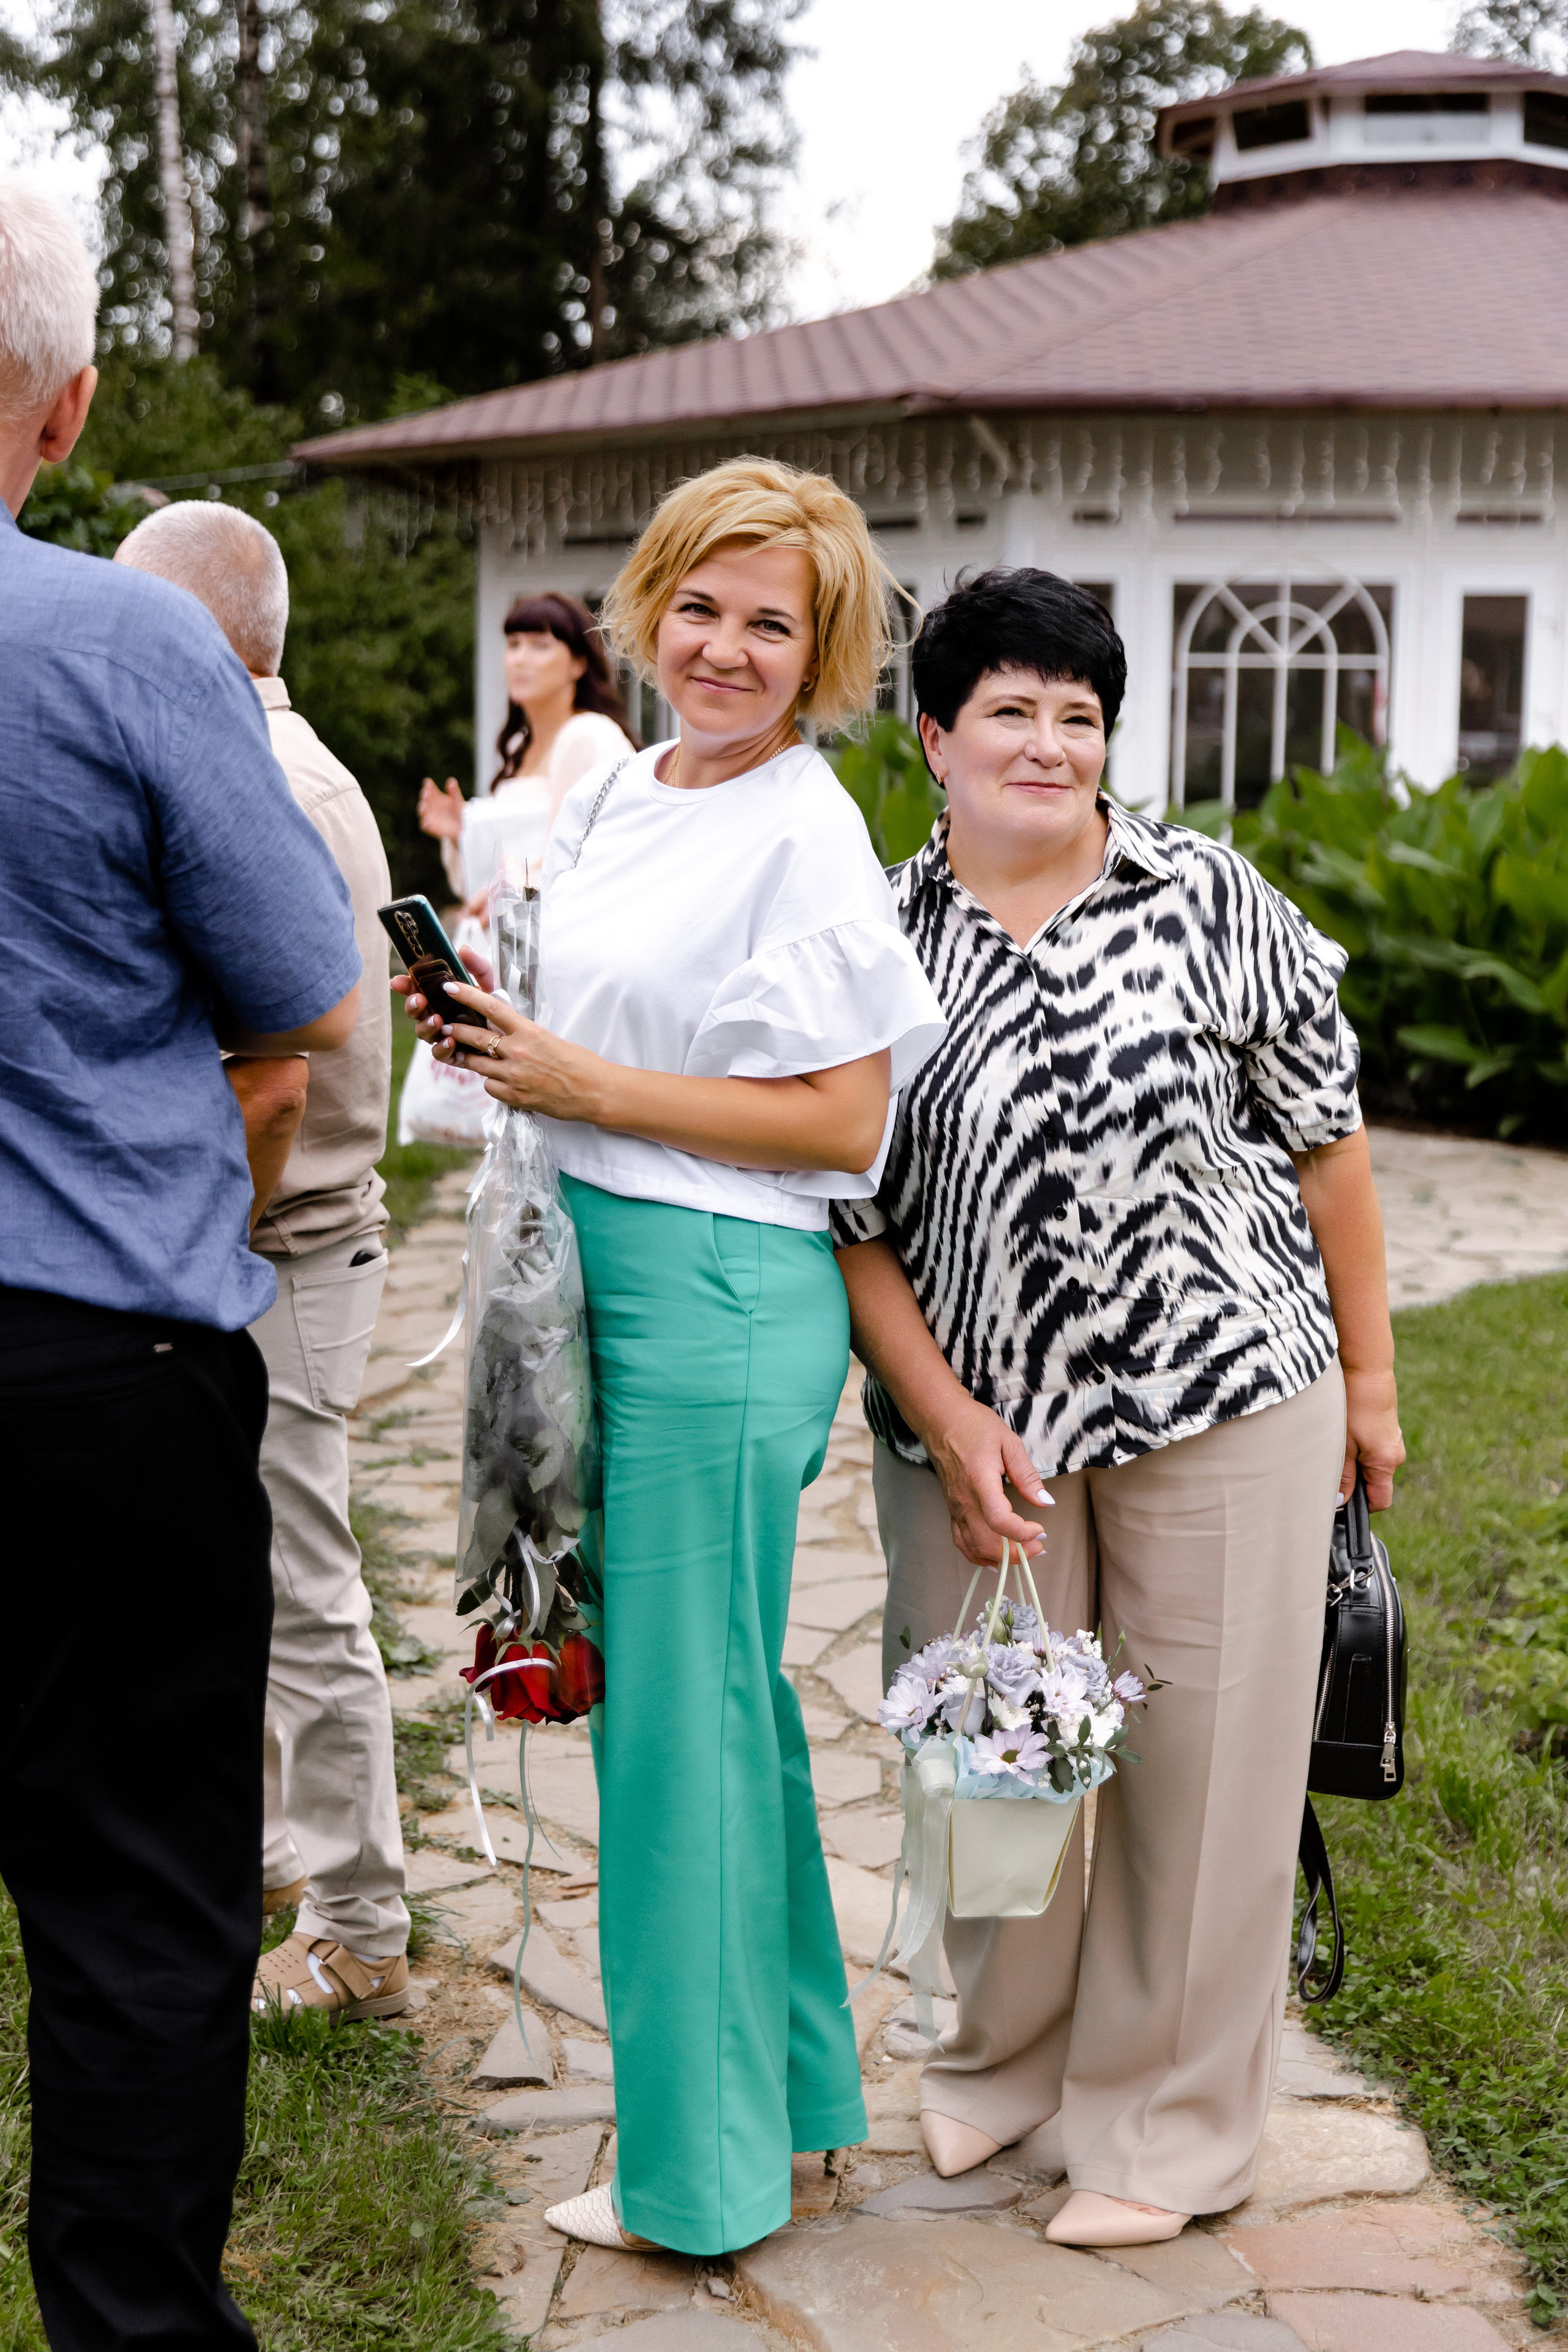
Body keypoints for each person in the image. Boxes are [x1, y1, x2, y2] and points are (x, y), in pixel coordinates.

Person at [402, 459, 946, 2256]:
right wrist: (496, 1026)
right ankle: (786, 2096)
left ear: (822, 650)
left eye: (769, 622)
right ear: (646, 604)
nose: (724, 645)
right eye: (699, 604)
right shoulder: (626, 787)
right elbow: (604, 1030)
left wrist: (590, 1082)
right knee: (718, 1705)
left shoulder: (802, 825)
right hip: (600, 1260)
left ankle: (695, 2182)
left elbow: (841, 1118)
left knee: (673, 1729)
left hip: (719, 1289)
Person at [831, 567, 1404, 2245]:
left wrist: (1370, 1381)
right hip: (971, 1430)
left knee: (1200, 1784)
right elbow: (848, 1221)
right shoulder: (870, 936)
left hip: (1225, 1397)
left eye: (1076, 715)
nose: (1046, 742)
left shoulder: (1207, 896)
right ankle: (1000, 2062)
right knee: (992, 1760)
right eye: (1007, 709)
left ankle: (1167, 2128)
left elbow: (1329, 1140)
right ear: (933, 738)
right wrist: (945, 1418)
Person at [0, 182, 361, 2350]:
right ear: (66, 409)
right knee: (136, 1905)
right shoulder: (129, 645)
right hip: (95, 1363)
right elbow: (308, 988)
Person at [115, 501, 413, 2022]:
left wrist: (181, 1251)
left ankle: (363, 1931)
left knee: (304, 1588)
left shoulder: (258, 778)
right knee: (245, 1573)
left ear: (194, 623)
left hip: (276, 1238)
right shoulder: (285, 757)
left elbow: (275, 1080)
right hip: (283, 1228)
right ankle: (275, 1853)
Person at [418, 591, 637, 905]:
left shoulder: (590, 735)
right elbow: (494, 881)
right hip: (512, 931)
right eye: (514, 644)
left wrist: (521, 889)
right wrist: (464, 833)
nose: (520, 659)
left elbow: (597, 856)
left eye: (539, 646)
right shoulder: (518, 747)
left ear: (578, 664)